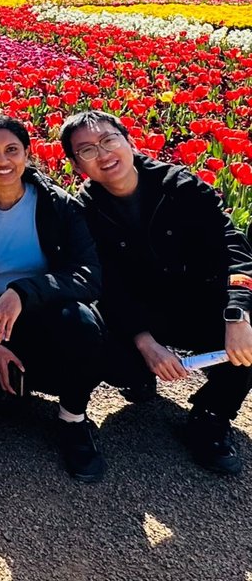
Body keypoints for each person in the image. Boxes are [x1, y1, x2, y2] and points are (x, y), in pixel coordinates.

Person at [64, 110, 252, 475]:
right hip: (139, 312)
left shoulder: (180, 186)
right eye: (87, 150)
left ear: (128, 140)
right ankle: (136, 374)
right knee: (99, 337)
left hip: (199, 301)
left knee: (250, 332)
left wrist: (237, 313)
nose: (103, 154)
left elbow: (234, 248)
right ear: (76, 165)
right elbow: (104, 284)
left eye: (108, 140)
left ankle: (211, 415)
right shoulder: (84, 210)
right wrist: (145, 342)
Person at [0, 114, 107, 482]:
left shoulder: (59, 205)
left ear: (28, 152)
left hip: (46, 312)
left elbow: (87, 274)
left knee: (83, 325)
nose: (3, 161)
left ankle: (72, 420)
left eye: (12, 150)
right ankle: (12, 382)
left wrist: (24, 292)